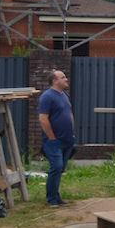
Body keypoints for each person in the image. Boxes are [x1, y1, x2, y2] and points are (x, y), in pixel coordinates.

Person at [39, 69, 75, 207]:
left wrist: (72, 133)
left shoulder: (64, 96)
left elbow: (69, 114)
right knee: (56, 167)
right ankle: (51, 199)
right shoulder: (47, 97)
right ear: (55, 81)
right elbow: (43, 119)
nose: (66, 79)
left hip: (67, 139)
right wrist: (51, 137)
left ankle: (56, 196)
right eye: (63, 77)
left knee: (60, 169)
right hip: (54, 141)